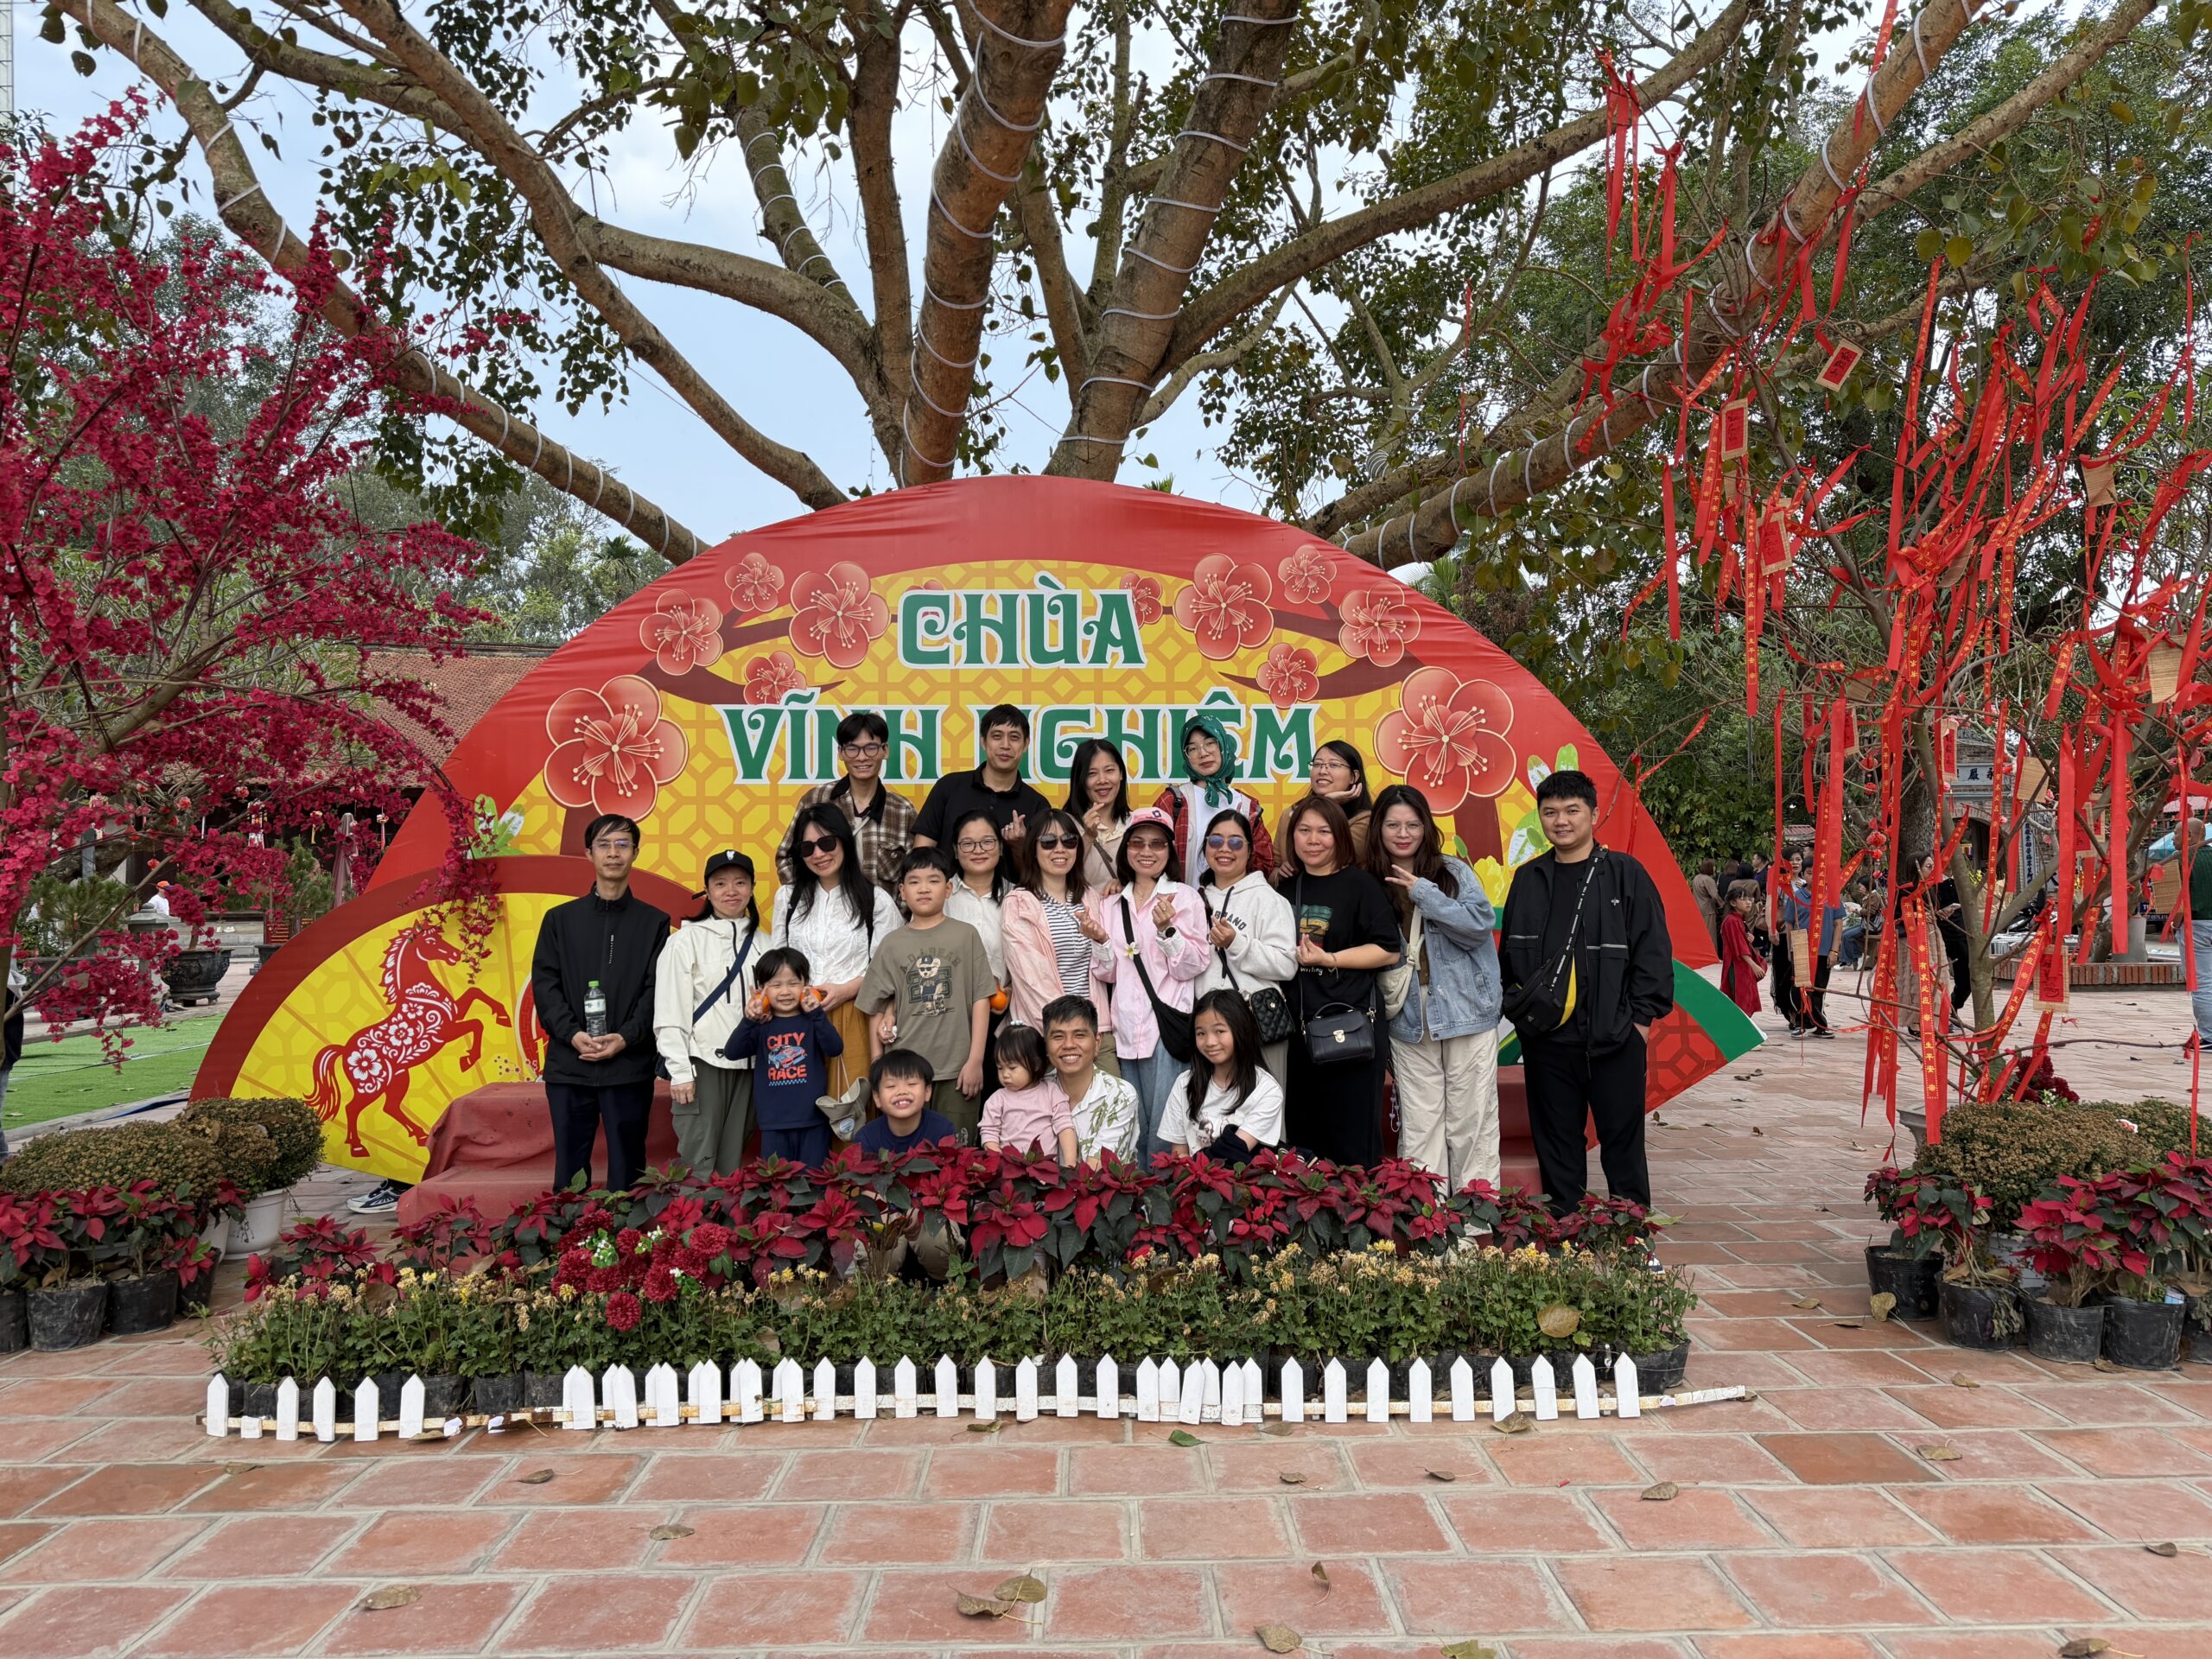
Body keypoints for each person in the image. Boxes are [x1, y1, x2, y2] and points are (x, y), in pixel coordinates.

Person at [1499, 770, 1673, 1216]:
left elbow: (1652, 951)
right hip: (1547, 1040)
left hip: (1615, 1036)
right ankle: (1564, 1227)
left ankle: (1628, 1230)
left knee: (1622, 1139)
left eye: (1572, 810)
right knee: (1556, 1140)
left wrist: (1638, 1024)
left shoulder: (1625, 874)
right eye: (1550, 812)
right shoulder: (1528, 878)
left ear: (1593, 815)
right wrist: (1521, 1013)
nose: (1561, 821)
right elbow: (1509, 957)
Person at [1368, 784, 1503, 1192]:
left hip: (1466, 1010)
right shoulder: (1369, 880)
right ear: (1378, 828)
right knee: (1420, 1123)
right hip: (1408, 1015)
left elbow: (1479, 926)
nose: (1403, 833)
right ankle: (1429, 1218)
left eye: (1412, 824)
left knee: (1472, 1121)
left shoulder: (1452, 872)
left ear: (1426, 827)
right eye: (1393, 825)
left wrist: (1424, 892)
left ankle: (1476, 1218)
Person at [530, 813, 671, 1192]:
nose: (613, 853)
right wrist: (572, 1034)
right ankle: (568, 1229)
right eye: (604, 845)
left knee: (628, 1167)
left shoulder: (654, 922)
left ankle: (625, 1229)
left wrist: (625, 1038)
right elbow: (546, 985)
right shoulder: (560, 920)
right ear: (588, 853)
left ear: (635, 853)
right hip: (570, 1063)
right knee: (570, 1170)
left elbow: (656, 990)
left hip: (628, 1065)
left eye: (622, 844)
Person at [1280, 793, 1401, 1166]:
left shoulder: (1360, 885)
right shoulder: (1286, 888)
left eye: (1324, 831)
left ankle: (1361, 1204)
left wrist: (1329, 959)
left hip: (1351, 1029)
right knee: (1304, 1141)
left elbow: (1388, 950)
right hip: (1299, 1032)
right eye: (1304, 831)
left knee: (1353, 1140)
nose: (1313, 840)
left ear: (1340, 837)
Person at [1090, 805, 1208, 1157]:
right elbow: (1107, 974)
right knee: (1131, 1126)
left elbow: (1193, 966)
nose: (1146, 851)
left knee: (1166, 1130)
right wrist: (1101, 941)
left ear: (1170, 851)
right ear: (1126, 848)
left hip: (1165, 1030)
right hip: (1125, 1029)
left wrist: (1167, 930)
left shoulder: (1185, 898)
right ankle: (1135, 1189)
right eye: (1137, 842)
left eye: (1157, 844)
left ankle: (1165, 1190)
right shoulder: (1112, 904)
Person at [860, 848, 994, 1141]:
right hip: (904, 1073)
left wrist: (975, 1061)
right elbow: (875, 1006)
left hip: (957, 1070)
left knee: (956, 1152)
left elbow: (981, 999)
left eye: (933, 880)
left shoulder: (966, 935)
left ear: (948, 889)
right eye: (914, 881)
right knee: (903, 1152)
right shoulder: (891, 944)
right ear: (902, 892)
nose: (923, 888)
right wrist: (877, 1063)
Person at [772, 801, 900, 1095]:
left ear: (844, 841)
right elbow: (777, 963)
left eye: (827, 843)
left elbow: (889, 971)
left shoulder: (876, 900)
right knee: (798, 1107)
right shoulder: (788, 898)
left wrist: (846, 990)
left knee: (848, 1107)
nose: (818, 854)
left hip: (855, 1017)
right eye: (807, 848)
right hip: (796, 1018)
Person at [652, 849, 762, 1177]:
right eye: (721, 883)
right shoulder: (685, 941)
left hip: (751, 1067)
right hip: (703, 1065)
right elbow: (670, 1010)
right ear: (707, 891)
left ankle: (723, 1215)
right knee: (698, 1163)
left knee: (732, 1164)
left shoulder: (767, 944)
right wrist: (680, 1071)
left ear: (752, 888)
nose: (731, 891)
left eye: (740, 882)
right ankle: (692, 1214)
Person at [1000, 807, 1117, 1074]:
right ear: (1033, 849)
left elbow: (1109, 972)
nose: (1060, 849)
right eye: (1048, 842)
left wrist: (1101, 941)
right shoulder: (1019, 903)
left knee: (1113, 1100)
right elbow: (1031, 980)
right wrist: (1069, 1033)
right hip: (1046, 1036)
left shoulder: (1090, 898)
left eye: (1069, 841)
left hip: (1097, 1033)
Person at [1192, 808, 1298, 1086]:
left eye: (1236, 842)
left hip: (1257, 1024)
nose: (1225, 849)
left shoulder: (1268, 899)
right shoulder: (1192, 900)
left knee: (1264, 1107)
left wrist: (1236, 943)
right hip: (1209, 1030)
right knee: (1213, 1107)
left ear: (1250, 850)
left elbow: (1287, 965)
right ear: (1205, 847)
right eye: (1216, 841)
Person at [720, 947, 843, 1166]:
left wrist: (817, 1015)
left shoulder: (813, 1021)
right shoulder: (761, 1025)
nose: (785, 991)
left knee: (814, 1181)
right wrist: (749, 1020)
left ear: (806, 985)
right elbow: (732, 1052)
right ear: (762, 989)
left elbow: (835, 1048)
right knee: (777, 1181)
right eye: (776, 985)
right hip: (773, 1124)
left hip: (813, 1121)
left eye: (793, 983)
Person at [773, 710, 918, 893]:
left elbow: (914, 874)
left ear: (885, 750)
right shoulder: (816, 798)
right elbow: (785, 858)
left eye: (871, 748)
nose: (862, 757)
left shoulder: (902, 811)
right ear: (841, 753)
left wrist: (891, 910)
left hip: (880, 911)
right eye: (852, 749)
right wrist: (814, 900)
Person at [1154, 711, 1276, 888]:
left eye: (1210, 743)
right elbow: (1150, 856)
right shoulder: (1173, 801)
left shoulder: (1248, 807)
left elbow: (1264, 870)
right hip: (1181, 904)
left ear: (1224, 745)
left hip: (1233, 904)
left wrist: (1245, 842)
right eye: (1192, 748)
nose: (1203, 753)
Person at [1160, 989, 1284, 1163]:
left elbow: (1233, 1150)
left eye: (1219, 1031)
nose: (1210, 1042)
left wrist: (1195, 1167)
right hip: (1193, 1178)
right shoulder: (1185, 1084)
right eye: (1201, 1033)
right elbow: (1179, 1154)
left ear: (1241, 1030)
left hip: (1242, 1177)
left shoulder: (1266, 1089)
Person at [914, 702, 1052, 849]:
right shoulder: (949, 787)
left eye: (1014, 737)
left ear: (1026, 744)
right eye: (997, 736)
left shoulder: (1038, 805)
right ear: (983, 742)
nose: (1005, 745)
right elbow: (921, 854)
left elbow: (1042, 862)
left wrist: (1020, 845)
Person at [943, 809, 1011, 1090]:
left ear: (1001, 847)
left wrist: (1012, 990)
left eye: (987, 842)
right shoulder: (941, 896)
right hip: (949, 1019)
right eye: (968, 843)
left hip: (1003, 1018)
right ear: (956, 850)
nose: (978, 850)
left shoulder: (1018, 897)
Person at [1040, 993, 1141, 1166]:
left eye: (1079, 1035)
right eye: (1058, 1037)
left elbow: (1095, 1171)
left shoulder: (1120, 1095)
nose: (1069, 1045)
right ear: (1046, 1045)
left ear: (1097, 1042)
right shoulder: (1036, 1092)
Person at [980, 1023, 1077, 1162]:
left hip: (1045, 1170)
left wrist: (1070, 1163)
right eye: (1000, 1068)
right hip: (1010, 1169)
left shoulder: (1051, 1092)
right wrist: (999, 1161)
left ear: (1036, 1064)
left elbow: (1065, 1128)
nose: (1005, 1074)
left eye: (1012, 1068)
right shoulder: (997, 1100)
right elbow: (989, 1134)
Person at [853, 1048, 959, 1154]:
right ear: (877, 1097)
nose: (902, 1091)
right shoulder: (866, 1139)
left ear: (927, 1091)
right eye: (891, 1086)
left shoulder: (942, 1130)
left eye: (911, 1084)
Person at [1780, 864, 1842, 1037]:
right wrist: (1790, 949)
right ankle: (1802, 1023)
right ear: (1803, 874)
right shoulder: (1796, 897)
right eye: (1809, 873)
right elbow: (1790, 924)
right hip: (1801, 945)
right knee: (1800, 987)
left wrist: (1834, 951)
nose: (1814, 877)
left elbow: (1838, 924)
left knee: (1819, 987)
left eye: (1819, 873)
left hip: (1824, 948)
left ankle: (1820, 1025)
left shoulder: (1832, 896)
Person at [1065, 737, 1134, 890]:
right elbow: (1058, 878)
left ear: (1121, 774)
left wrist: (1127, 884)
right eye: (1092, 773)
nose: (1102, 780)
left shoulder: (1135, 824)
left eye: (1109, 770)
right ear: (1080, 779)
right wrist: (1088, 837)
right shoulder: (1064, 825)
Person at [1719, 881, 1766, 1016]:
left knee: (1745, 999)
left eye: (1749, 899)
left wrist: (1748, 939)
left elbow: (1740, 943)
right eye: (1743, 899)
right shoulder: (1732, 921)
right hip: (1737, 966)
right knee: (1740, 1001)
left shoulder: (1737, 919)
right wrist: (1754, 965)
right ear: (1733, 903)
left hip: (1742, 965)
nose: (1748, 902)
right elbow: (1739, 947)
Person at [1692, 860, 1724, 950]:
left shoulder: (1696, 878)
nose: (1715, 868)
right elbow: (1714, 895)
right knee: (1710, 934)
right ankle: (1712, 953)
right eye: (1714, 866)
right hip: (1708, 910)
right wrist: (1722, 904)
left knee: (1701, 934)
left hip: (1698, 908)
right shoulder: (1708, 879)